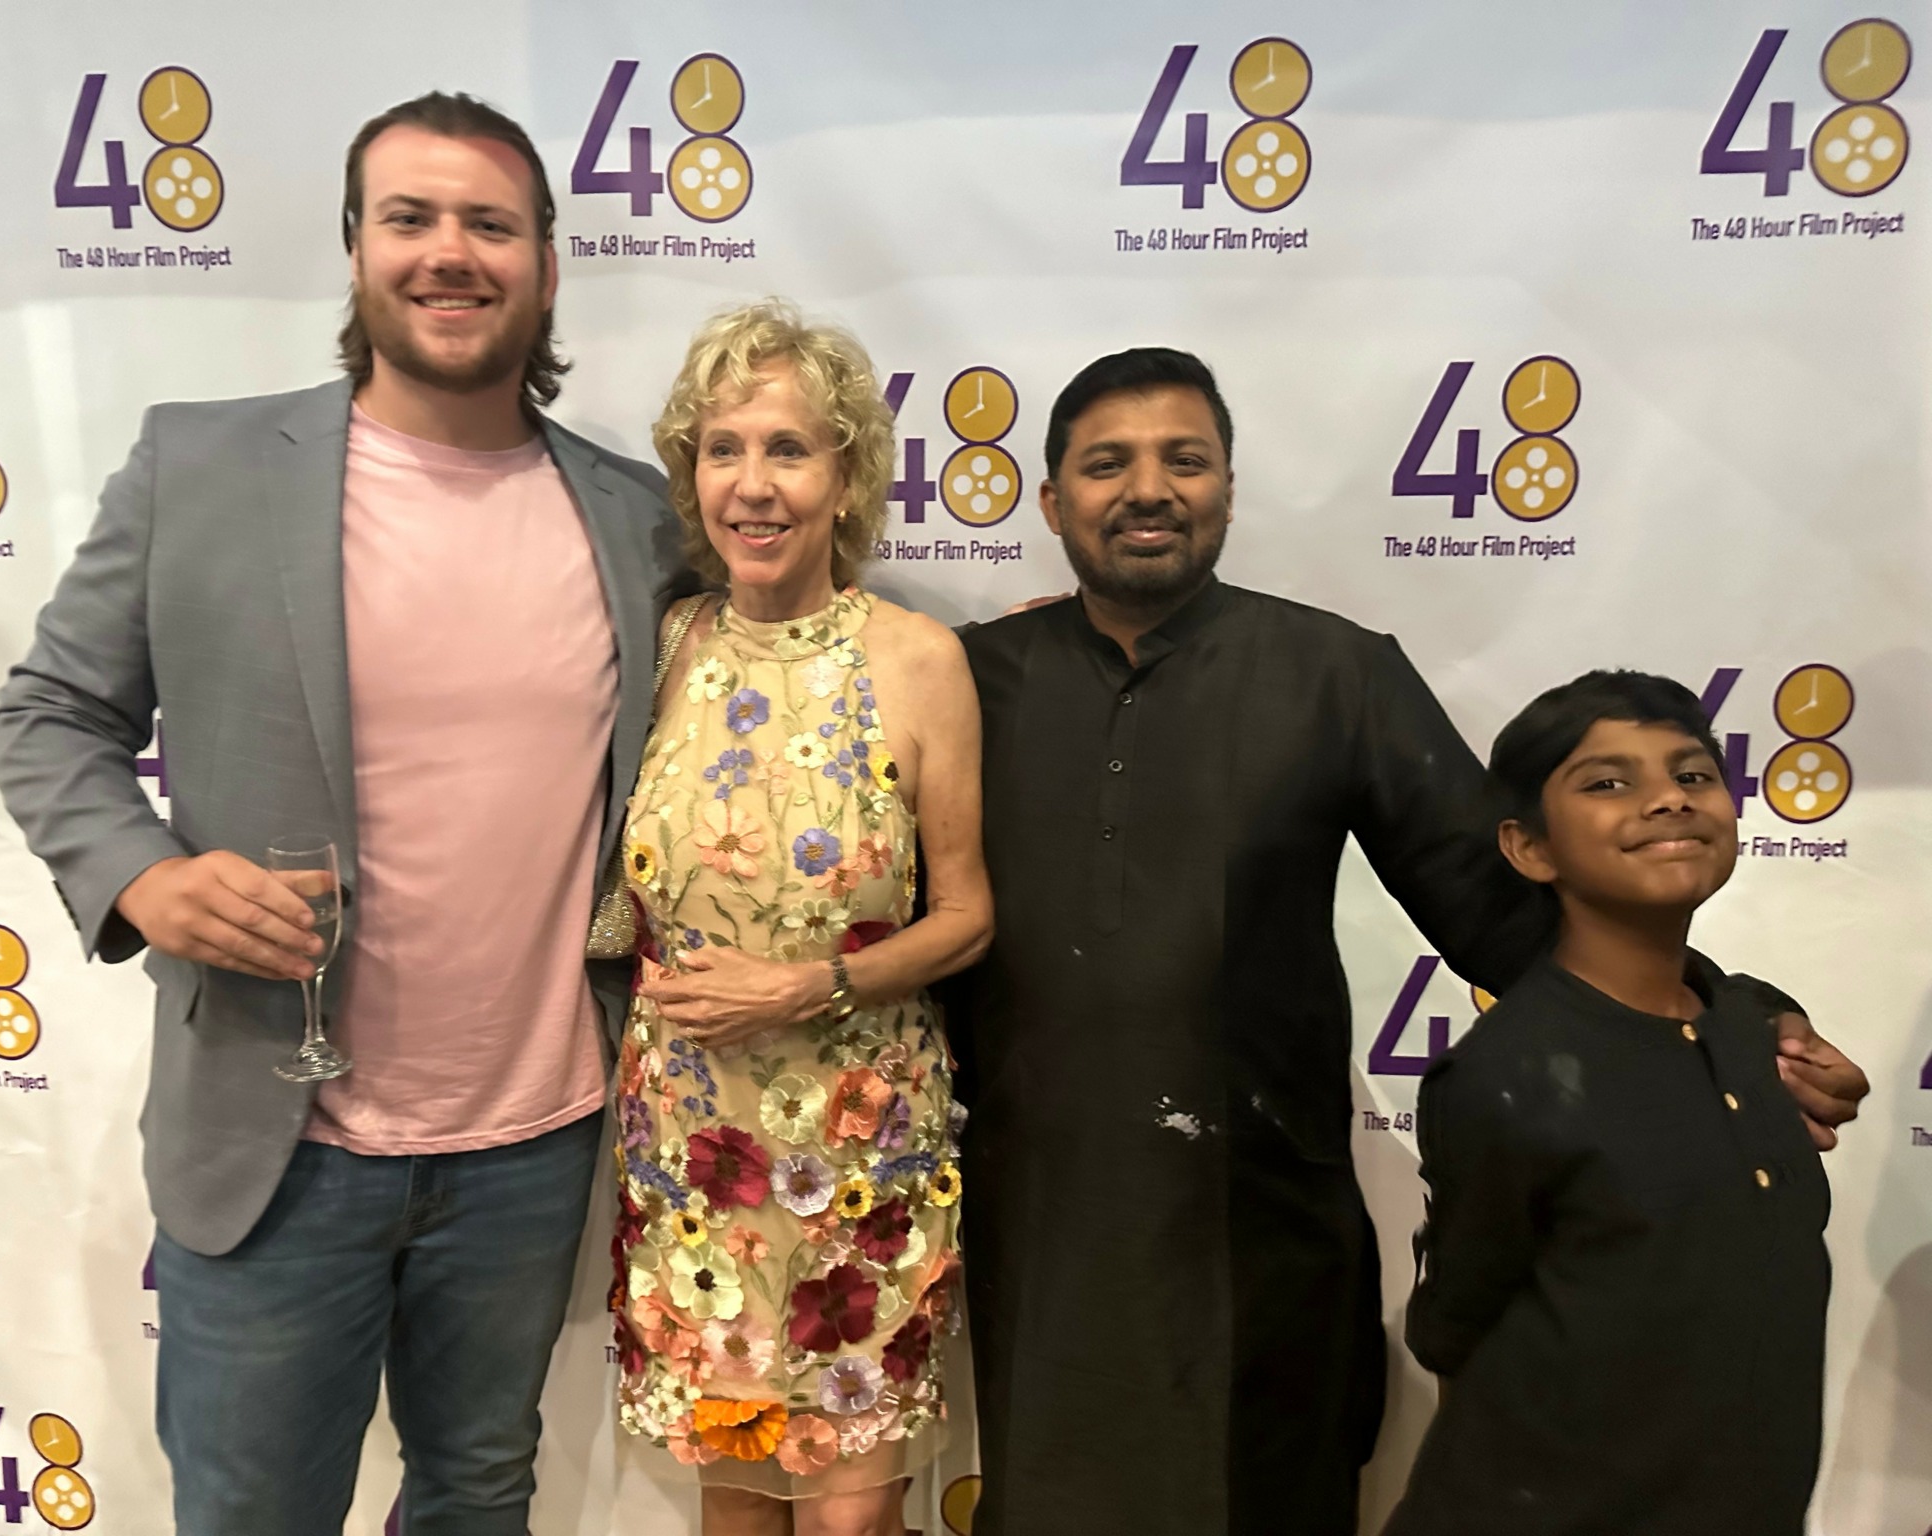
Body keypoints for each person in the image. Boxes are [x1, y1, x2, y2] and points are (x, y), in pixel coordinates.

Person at [949, 347, 1869, 1536]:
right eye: (1105, 464)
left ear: (1227, 487)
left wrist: (1730, 1033)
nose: (1148, 490)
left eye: (1184, 460)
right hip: (1040, 1214)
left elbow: (1507, 915)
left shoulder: (1335, 673)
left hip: (1260, 1217)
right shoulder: (966, 680)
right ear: (1049, 499)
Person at [0, 93, 694, 1535]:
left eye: (491, 224)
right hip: (277, 1141)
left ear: (547, 263)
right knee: (254, 1512)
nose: (451, 252)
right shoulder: (199, 468)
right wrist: (141, 878)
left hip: (532, 1141)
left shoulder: (637, 518)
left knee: (480, 1493)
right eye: (410, 218)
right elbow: (48, 713)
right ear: (356, 248)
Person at [608, 300, 993, 1536]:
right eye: (722, 450)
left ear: (846, 476)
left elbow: (967, 918)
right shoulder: (665, 647)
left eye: (787, 449)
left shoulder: (918, 659)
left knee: (849, 1521)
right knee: (733, 1495)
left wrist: (808, 986)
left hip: (859, 1148)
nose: (752, 484)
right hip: (694, 1148)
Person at [1388, 671, 1829, 1534]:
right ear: (1529, 848)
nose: (1668, 800)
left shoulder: (1748, 1032)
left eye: (1693, 774)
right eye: (1607, 784)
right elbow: (1457, 1334)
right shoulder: (1506, 1075)